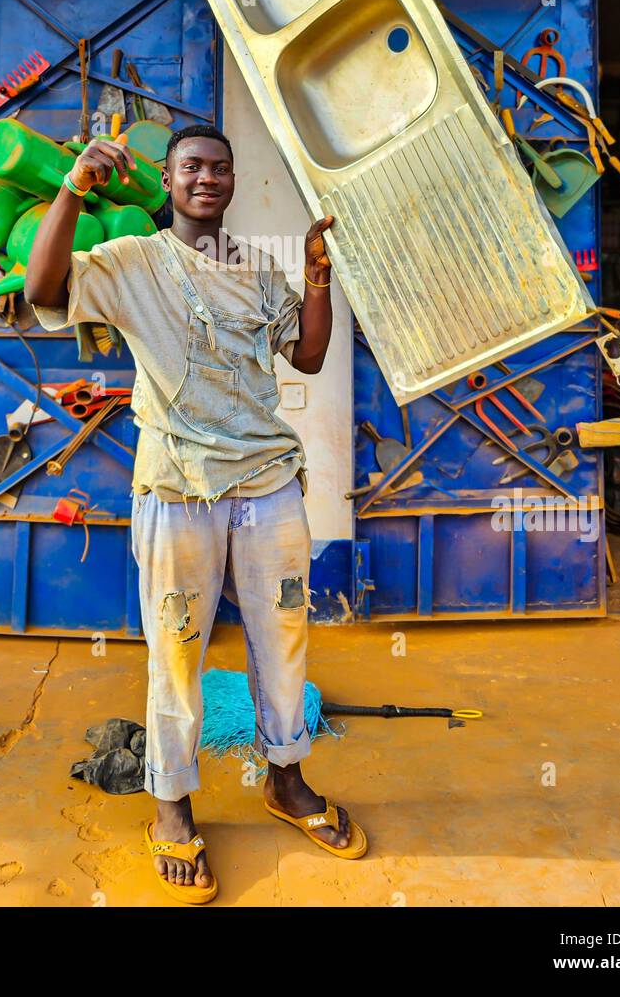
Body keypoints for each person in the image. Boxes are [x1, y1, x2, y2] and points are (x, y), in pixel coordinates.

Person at [25, 122, 367, 904]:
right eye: (191, 167)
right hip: (179, 486)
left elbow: (307, 356)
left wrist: (318, 274)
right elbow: (44, 290)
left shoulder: (254, 269)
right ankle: (172, 806)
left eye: (219, 167)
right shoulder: (132, 261)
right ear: (169, 181)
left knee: (282, 640)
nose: (206, 178)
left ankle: (286, 780)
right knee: (175, 649)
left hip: (268, 484)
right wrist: (73, 185)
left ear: (231, 181)